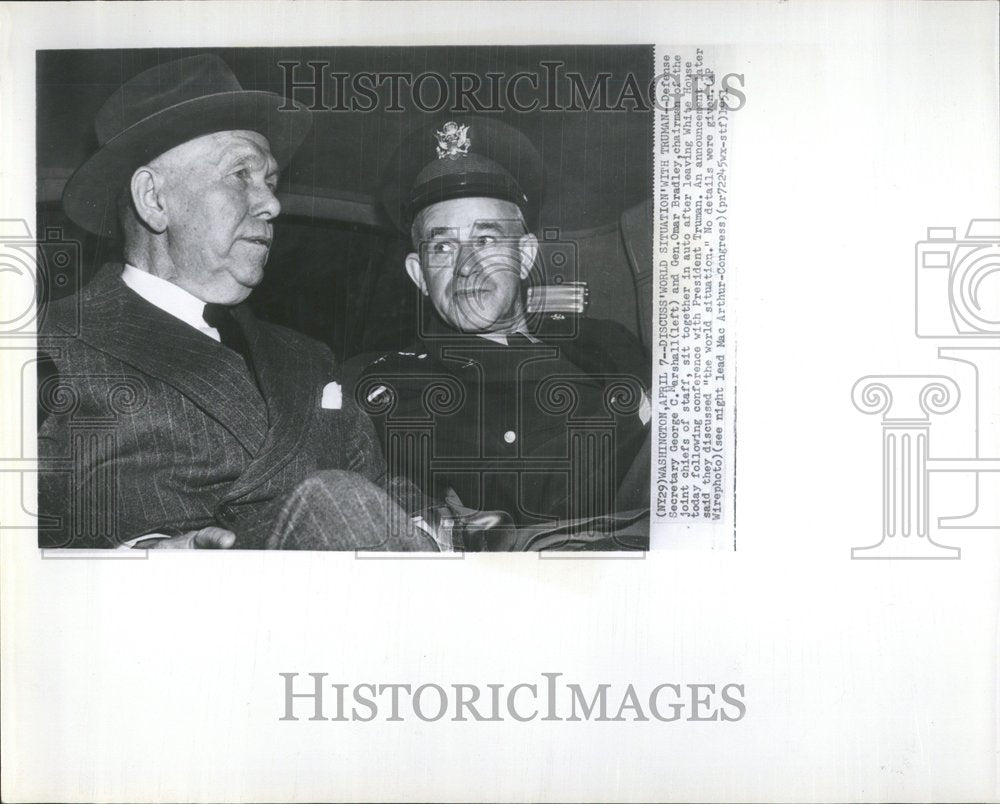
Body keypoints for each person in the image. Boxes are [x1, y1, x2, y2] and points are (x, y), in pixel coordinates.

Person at [37, 54, 436, 551]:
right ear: (153, 200)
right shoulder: (45, 347)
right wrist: (142, 559)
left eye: (269, 182)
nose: (272, 204)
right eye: (240, 175)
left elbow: (378, 490)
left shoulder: (309, 360)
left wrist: (434, 521)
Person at [353, 118, 651, 549]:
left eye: (487, 240)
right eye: (442, 247)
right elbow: (531, 492)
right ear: (419, 275)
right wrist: (641, 415)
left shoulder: (606, 341)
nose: (466, 266)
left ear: (526, 255)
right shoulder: (402, 385)